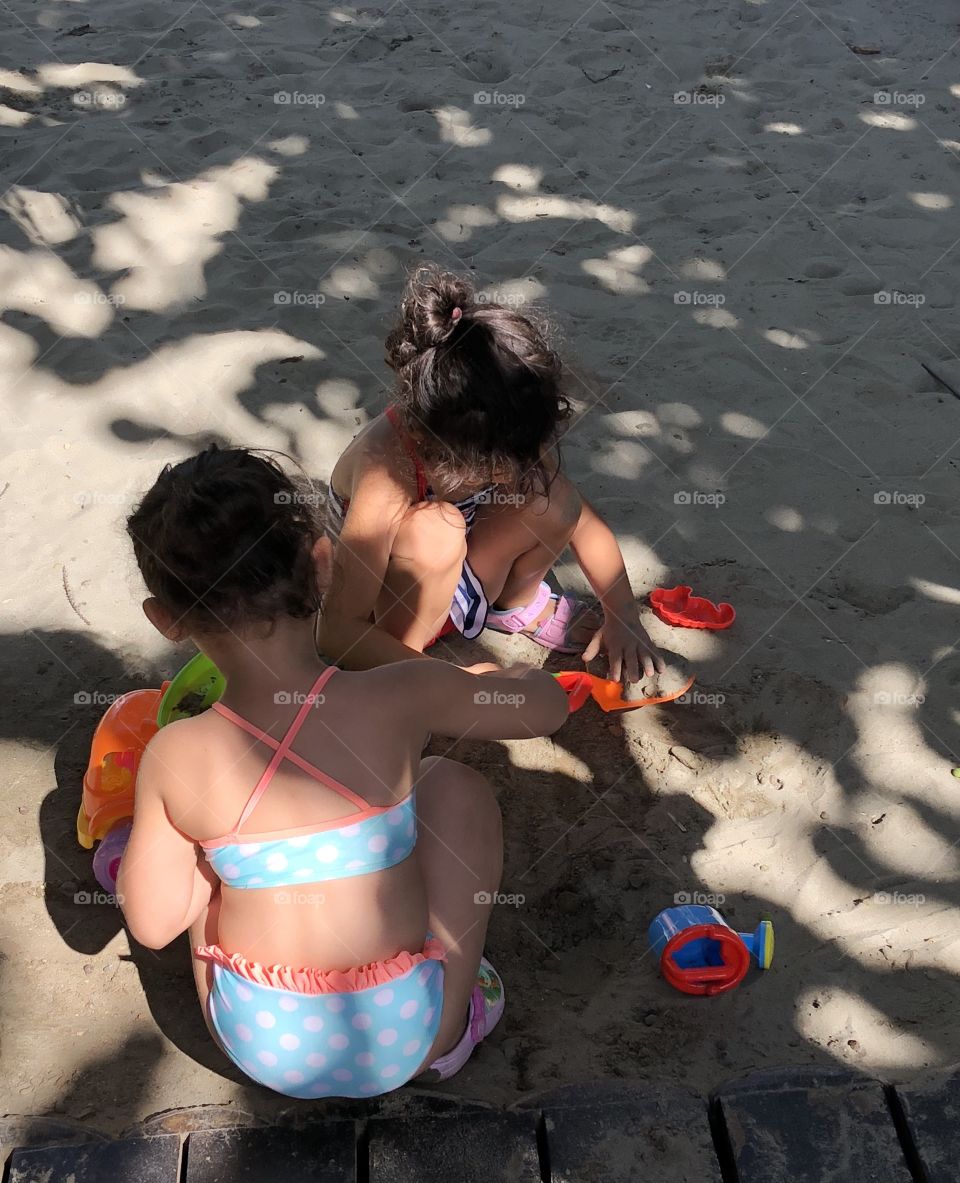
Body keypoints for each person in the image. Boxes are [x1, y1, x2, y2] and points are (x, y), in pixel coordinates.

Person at [117, 445, 568, 1099]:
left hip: (260, 1047)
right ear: (322, 567)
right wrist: (502, 679)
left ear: (167, 620)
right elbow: (546, 709)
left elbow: (154, 924)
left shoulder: (176, 752)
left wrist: (215, 852)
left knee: (203, 847)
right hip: (406, 1039)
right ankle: (457, 1021)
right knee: (454, 787)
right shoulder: (400, 694)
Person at [320, 263, 665, 683]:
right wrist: (458, 684)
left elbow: (582, 521)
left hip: (465, 576)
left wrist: (624, 615)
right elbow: (337, 633)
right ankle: (406, 669)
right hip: (394, 607)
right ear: (451, 444)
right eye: (495, 466)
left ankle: (514, 609)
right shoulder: (386, 467)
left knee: (553, 500)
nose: (506, 474)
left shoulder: (503, 419)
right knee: (436, 527)